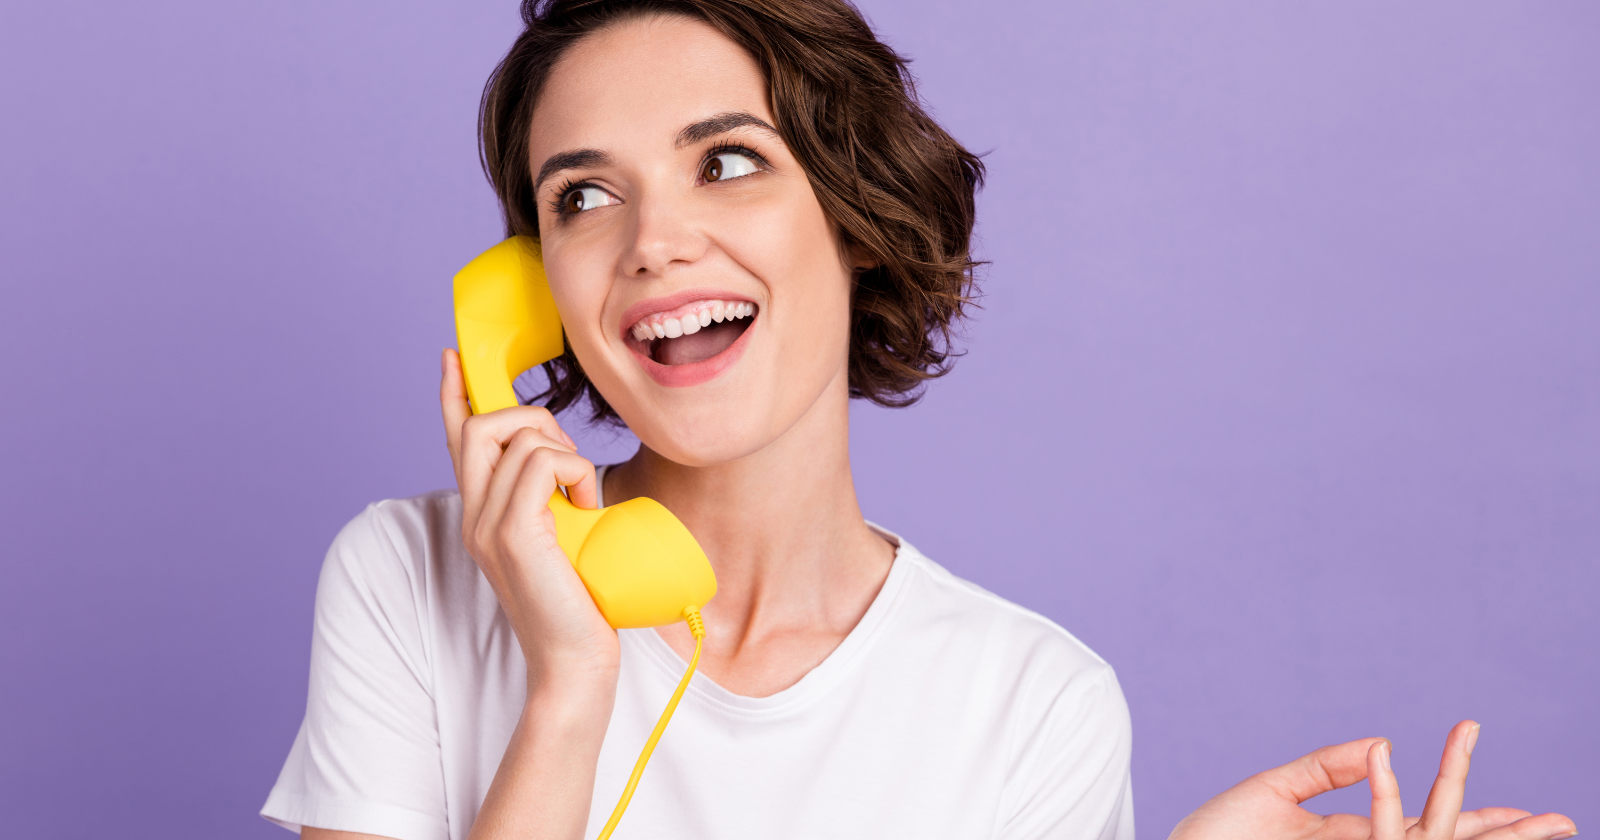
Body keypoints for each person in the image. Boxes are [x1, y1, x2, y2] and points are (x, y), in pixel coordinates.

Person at [260, 2, 1579, 839]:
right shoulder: (408, 580)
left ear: (854, 218)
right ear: (535, 298)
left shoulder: (1026, 705)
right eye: (583, 198)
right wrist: (568, 691)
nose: (655, 242)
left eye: (727, 161)